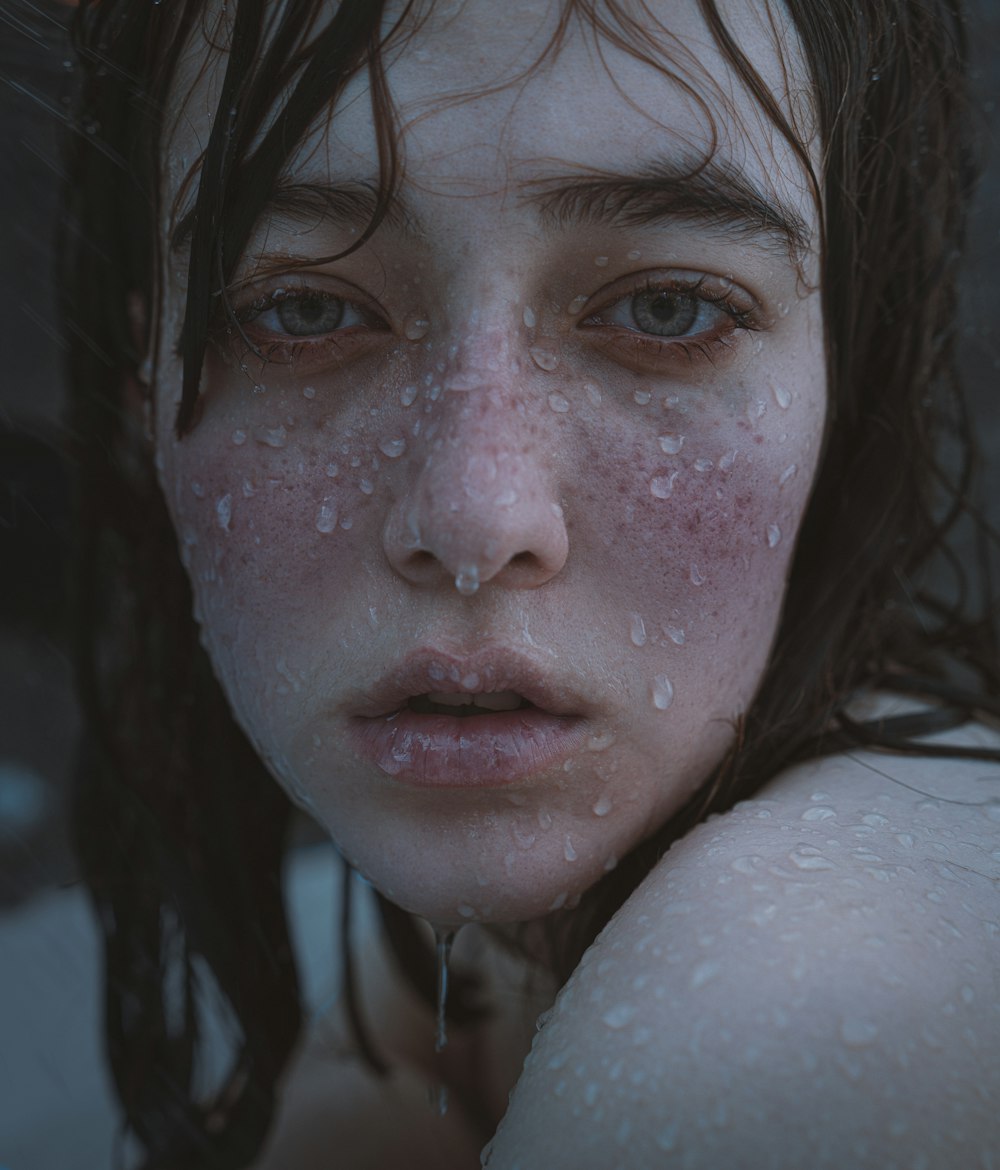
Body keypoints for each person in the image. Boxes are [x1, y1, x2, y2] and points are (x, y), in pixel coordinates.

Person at [62, 0, 1000, 1166]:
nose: (473, 518)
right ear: (140, 394)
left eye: (670, 309)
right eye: (300, 311)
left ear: (839, 388)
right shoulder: (522, 951)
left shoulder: (785, 1007)